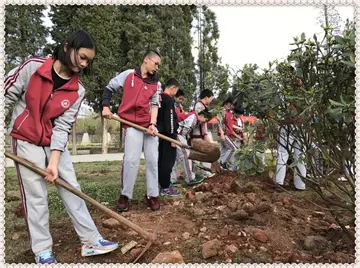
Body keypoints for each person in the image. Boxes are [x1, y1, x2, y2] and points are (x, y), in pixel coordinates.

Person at [4, 30, 118, 264]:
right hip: (25, 139)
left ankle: (90, 241)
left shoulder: (78, 91)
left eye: (88, 61)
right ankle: (43, 250)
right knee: (35, 196)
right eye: (82, 57)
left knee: (72, 188)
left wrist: (54, 163)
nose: (84, 64)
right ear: (67, 47)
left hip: (54, 144)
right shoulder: (33, 67)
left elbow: (62, 127)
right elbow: (5, 96)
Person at [102, 49, 162, 212]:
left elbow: (155, 105)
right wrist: (106, 107)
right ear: (146, 60)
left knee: (152, 160)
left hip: (148, 125)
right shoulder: (128, 75)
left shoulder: (156, 83)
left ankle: (152, 195)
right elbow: (109, 88)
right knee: (131, 160)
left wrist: (152, 124)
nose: (157, 67)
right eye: (156, 64)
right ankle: (125, 195)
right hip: (131, 124)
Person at [274, 66, 306, 190]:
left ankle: (279, 182)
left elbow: (281, 109)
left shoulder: (284, 90)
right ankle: (301, 185)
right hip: (301, 126)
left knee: (283, 153)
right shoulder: (301, 88)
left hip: (288, 124)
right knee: (301, 155)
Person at [171, 109, 213, 185]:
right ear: (202, 116)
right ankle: (190, 178)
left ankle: (172, 179)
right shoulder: (193, 117)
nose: (203, 122)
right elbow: (184, 131)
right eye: (205, 120)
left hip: (176, 134)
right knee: (186, 156)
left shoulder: (193, 117)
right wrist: (183, 142)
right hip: (177, 134)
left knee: (174, 157)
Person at [157, 78, 181, 196]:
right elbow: (170, 119)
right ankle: (165, 187)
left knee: (161, 160)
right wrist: (173, 137)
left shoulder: (159, 98)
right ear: (173, 88)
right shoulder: (169, 100)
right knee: (168, 161)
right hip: (167, 136)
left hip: (160, 134)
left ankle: (162, 183)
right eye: (176, 91)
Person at [191, 89, 215, 177]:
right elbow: (201, 121)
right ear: (206, 97)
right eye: (211, 98)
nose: (211, 100)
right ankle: (199, 173)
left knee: (200, 153)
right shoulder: (199, 106)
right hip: (197, 134)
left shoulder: (202, 106)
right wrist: (205, 134)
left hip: (200, 134)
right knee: (199, 154)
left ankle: (199, 172)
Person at [222, 106, 245, 170]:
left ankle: (236, 168)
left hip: (238, 139)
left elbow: (242, 130)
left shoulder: (241, 120)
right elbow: (230, 130)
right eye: (239, 114)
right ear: (236, 113)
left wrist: (243, 138)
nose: (240, 115)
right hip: (231, 138)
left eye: (241, 114)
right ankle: (224, 164)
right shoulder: (231, 118)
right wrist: (238, 136)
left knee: (237, 154)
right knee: (231, 152)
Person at [216, 96, 234, 168]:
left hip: (227, 134)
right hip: (223, 134)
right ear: (227, 103)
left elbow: (229, 124)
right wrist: (222, 134)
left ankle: (219, 165)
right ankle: (223, 163)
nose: (232, 106)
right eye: (231, 104)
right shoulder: (222, 111)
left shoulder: (229, 112)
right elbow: (219, 122)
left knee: (223, 150)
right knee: (232, 149)